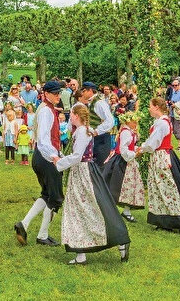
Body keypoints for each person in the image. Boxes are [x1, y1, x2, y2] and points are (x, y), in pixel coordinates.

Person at [55, 103, 130, 265]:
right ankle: (80, 253)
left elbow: (77, 156)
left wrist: (59, 162)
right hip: (80, 173)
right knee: (79, 210)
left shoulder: (82, 132)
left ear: (76, 115)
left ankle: (120, 238)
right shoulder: (82, 131)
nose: (70, 118)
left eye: (71, 115)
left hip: (84, 173)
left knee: (92, 209)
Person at [136, 97, 180, 232]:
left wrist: (141, 149)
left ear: (157, 107)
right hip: (160, 155)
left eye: (151, 106)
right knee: (160, 186)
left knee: (166, 187)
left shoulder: (162, 123)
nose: (149, 109)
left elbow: (153, 143)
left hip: (162, 156)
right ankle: (165, 219)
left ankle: (176, 219)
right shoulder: (160, 122)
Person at [14, 80, 63, 247]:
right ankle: (42, 235)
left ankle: (24, 224)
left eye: (59, 93)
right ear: (46, 94)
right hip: (46, 157)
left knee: (47, 194)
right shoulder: (46, 112)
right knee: (55, 198)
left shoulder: (46, 109)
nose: (58, 96)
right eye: (55, 93)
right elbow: (43, 139)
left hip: (40, 157)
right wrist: (54, 156)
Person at [102, 111, 145, 222]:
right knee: (119, 185)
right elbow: (123, 150)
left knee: (128, 186)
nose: (136, 124)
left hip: (126, 161)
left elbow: (128, 147)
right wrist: (135, 154)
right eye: (134, 121)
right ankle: (113, 210)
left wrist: (135, 149)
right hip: (122, 161)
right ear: (128, 121)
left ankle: (125, 211)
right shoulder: (126, 132)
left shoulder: (129, 131)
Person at [79, 82, 114, 165]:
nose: (82, 93)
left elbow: (110, 121)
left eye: (84, 91)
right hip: (96, 139)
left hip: (102, 139)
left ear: (90, 91)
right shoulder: (91, 102)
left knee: (100, 166)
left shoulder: (99, 103)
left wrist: (97, 131)